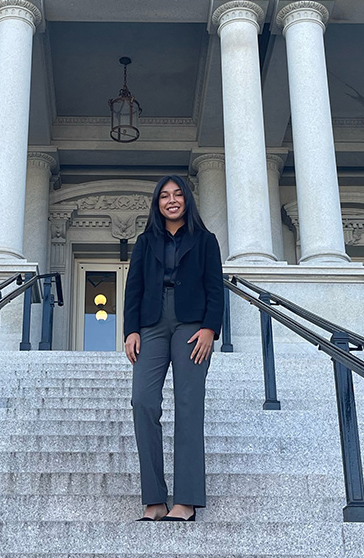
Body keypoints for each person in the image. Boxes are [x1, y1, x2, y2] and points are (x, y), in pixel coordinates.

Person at [123, 174, 224, 522]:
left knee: (189, 405)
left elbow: (215, 288)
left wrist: (211, 328)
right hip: (151, 324)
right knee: (143, 401)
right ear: (157, 203)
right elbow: (132, 288)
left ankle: (186, 500)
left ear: (187, 200)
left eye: (178, 194)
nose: (171, 200)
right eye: (164, 196)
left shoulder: (206, 241)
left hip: (192, 325)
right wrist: (130, 330)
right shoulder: (144, 241)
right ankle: (154, 499)